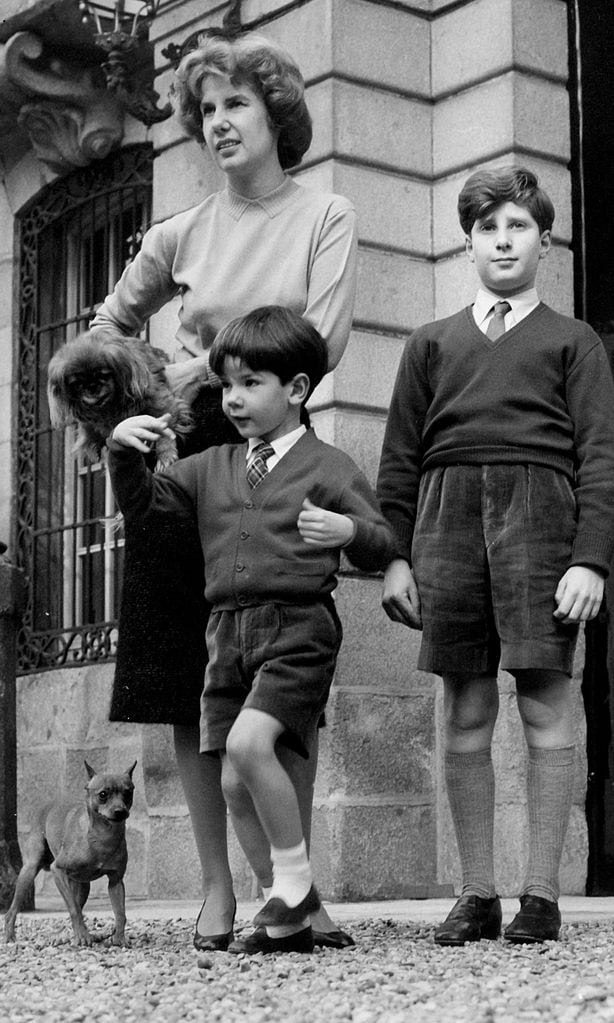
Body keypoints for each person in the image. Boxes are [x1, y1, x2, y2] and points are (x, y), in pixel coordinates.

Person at [89, 31, 357, 950]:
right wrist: (135, 397)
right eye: (205, 111)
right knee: (182, 673)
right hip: (186, 451)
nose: (217, 123)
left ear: (275, 112)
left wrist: (210, 363)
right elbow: (104, 332)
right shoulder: (180, 231)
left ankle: (299, 888)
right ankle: (217, 891)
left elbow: (317, 343)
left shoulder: (327, 214)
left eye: (235, 104)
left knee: (287, 666)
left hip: (279, 436)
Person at [106, 305, 398, 953]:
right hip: (226, 637)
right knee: (236, 779)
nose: (232, 399)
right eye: (225, 385)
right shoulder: (212, 466)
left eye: (249, 383)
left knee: (248, 747)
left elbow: (383, 540)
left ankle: (290, 884)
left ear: (296, 389)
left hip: (297, 629)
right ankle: (290, 911)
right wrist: (122, 458)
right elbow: (151, 513)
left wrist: (351, 532)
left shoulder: (328, 465)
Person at [376, 166, 614, 946]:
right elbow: (400, 460)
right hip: (446, 520)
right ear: (468, 242)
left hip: (541, 516)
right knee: (467, 703)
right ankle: (476, 890)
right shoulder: (430, 342)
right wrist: (394, 556)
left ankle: (540, 893)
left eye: (518, 226)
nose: (503, 239)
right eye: (488, 228)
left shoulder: (573, 340)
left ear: (546, 240)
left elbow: (600, 457)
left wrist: (591, 559)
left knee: (546, 697)